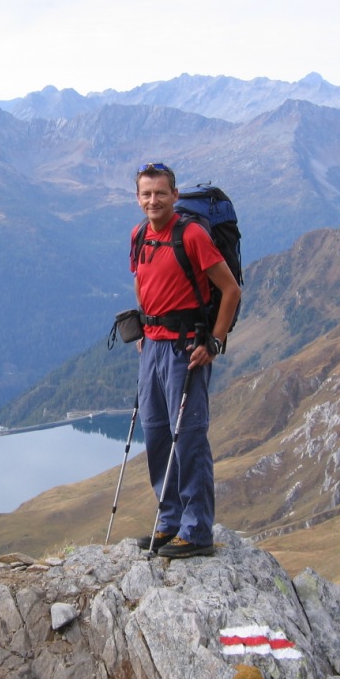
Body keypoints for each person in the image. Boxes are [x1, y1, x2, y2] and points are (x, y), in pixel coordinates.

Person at [130, 162, 241, 558]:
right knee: (157, 433)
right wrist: (145, 325)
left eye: (161, 193)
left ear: (174, 196)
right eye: (147, 194)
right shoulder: (139, 235)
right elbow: (141, 280)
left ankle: (196, 531)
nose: (153, 200)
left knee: (189, 437)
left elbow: (230, 290)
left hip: (185, 350)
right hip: (152, 346)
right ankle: (169, 521)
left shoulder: (191, 235)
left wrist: (214, 341)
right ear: (138, 198)